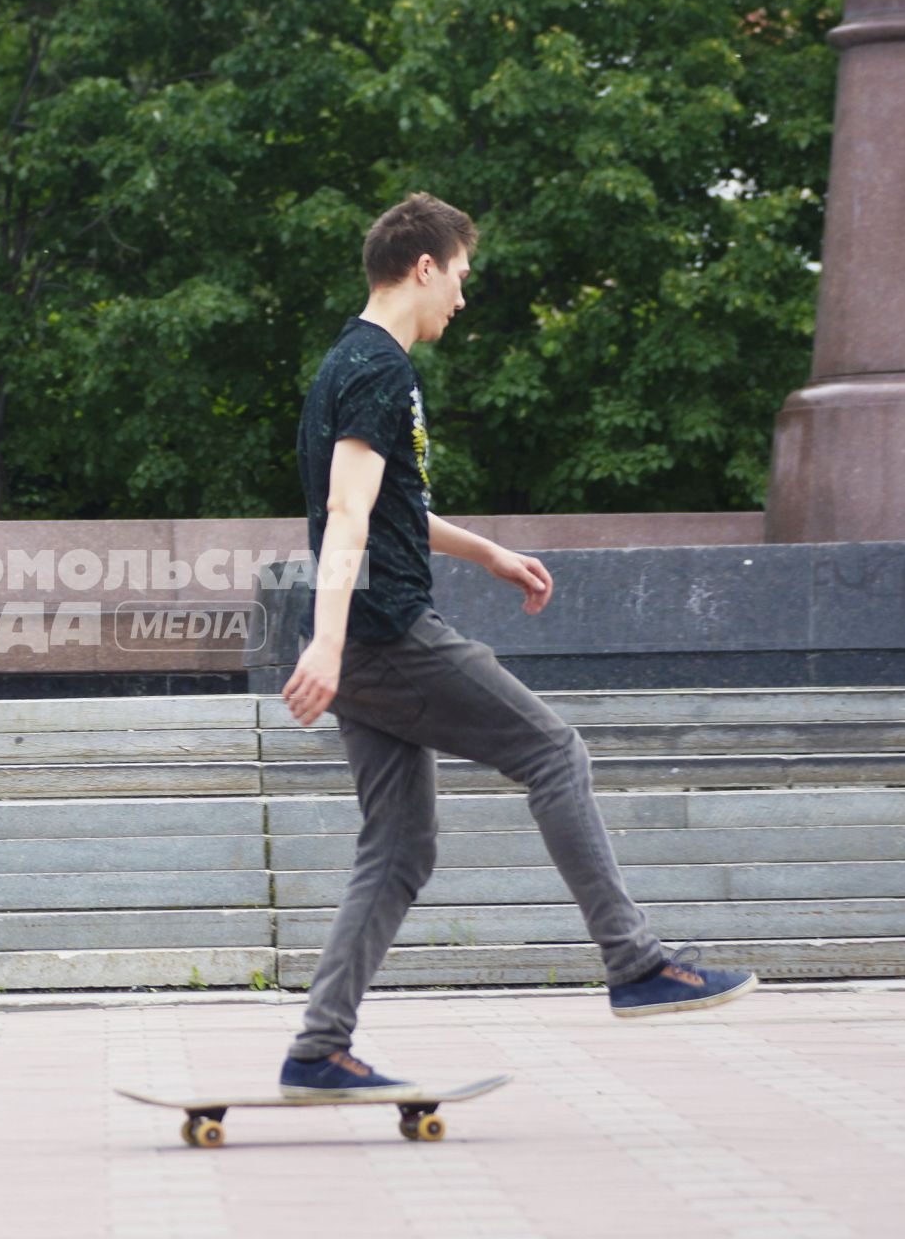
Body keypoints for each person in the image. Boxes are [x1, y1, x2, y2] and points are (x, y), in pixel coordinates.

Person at [277, 193, 756, 1098]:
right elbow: (343, 513)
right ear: (424, 266)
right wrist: (331, 645)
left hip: (367, 642)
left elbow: (388, 508)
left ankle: (318, 1048)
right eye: (460, 274)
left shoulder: (347, 361)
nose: (463, 295)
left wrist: (488, 551)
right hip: (386, 637)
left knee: (399, 846)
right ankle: (635, 961)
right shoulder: (381, 369)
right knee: (552, 749)